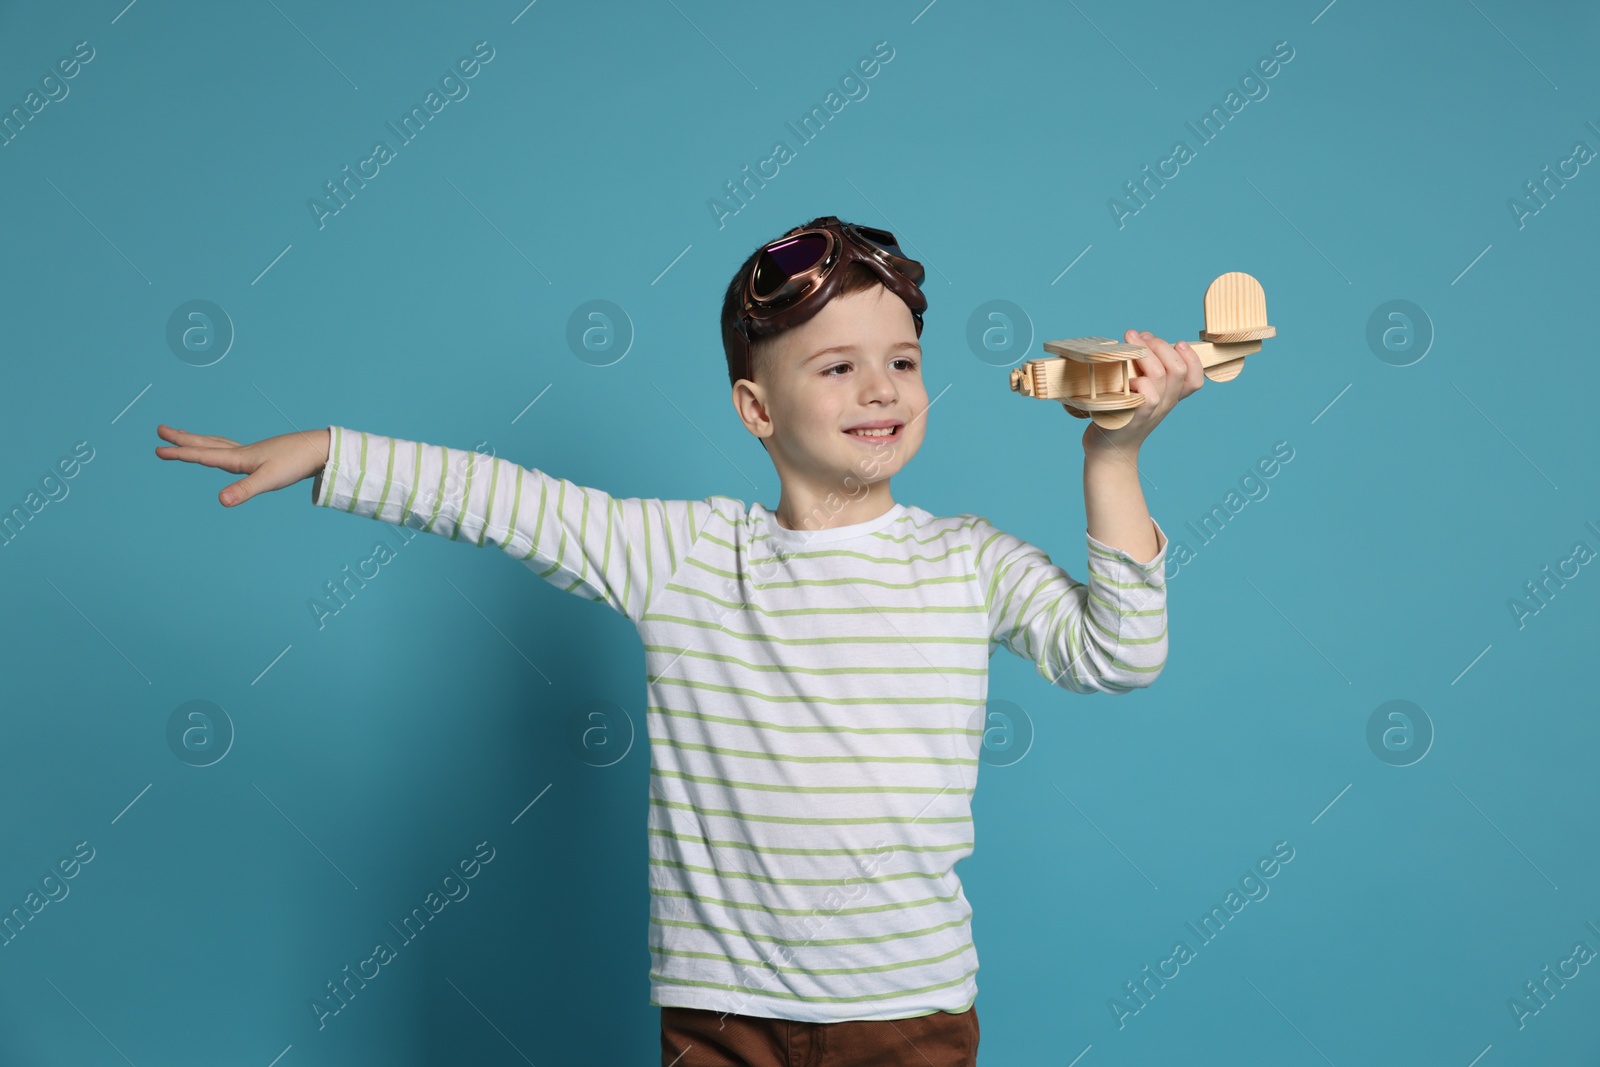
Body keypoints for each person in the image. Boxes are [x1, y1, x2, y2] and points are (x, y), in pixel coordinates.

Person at [156, 214, 1200, 1066]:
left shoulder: (967, 560)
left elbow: (1117, 654)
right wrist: (334, 451)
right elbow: (504, 500)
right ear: (756, 406)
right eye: (836, 366)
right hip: (720, 1012)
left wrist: (1112, 457)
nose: (881, 388)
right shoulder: (685, 553)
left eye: (902, 360)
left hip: (907, 1009)